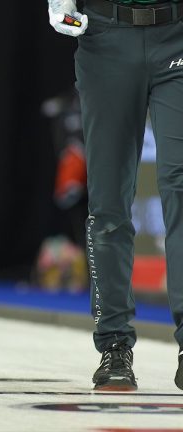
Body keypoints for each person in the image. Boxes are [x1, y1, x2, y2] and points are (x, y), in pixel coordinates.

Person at [47, 0, 183, 391]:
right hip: (106, 32)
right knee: (108, 199)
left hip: (176, 33)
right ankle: (114, 344)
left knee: (181, 185)